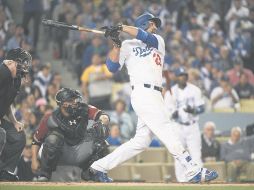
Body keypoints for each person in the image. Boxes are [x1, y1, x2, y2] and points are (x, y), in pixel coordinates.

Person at [86, 13, 218, 183]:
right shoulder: (127, 44)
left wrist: (120, 27)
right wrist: (116, 44)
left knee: (140, 142)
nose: (155, 26)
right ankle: (192, 169)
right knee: (166, 129)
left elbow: (143, 35)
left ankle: (98, 167)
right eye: (152, 23)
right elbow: (111, 67)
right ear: (143, 23)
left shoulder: (157, 41)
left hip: (155, 94)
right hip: (142, 93)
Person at [31, 88, 110, 182]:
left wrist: (103, 121)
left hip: (80, 148)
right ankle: (45, 174)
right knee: (53, 139)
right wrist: (34, 160)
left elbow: (103, 115)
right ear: (63, 103)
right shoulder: (50, 117)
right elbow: (36, 140)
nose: (75, 102)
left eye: (75, 99)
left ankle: (91, 173)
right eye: (71, 100)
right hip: (61, 153)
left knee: (102, 144)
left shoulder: (84, 108)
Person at [164, 67, 205, 182]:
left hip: (192, 125)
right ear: (176, 77)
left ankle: (199, 178)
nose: (183, 77)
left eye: (184, 75)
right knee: (179, 155)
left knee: (196, 154)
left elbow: (202, 108)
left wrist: (193, 110)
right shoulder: (170, 93)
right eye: (180, 75)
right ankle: (182, 181)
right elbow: (167, 113)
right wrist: (173, 114)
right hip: (178, 127)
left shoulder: (195, 90)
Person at [0, 48, 32, 181]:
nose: (24, 66)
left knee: (18, 136)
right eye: (22, 63)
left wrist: (14, 122)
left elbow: (7, 103)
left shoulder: (16, 79)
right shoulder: (2, 72)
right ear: (10, 62)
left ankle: (3, 171)